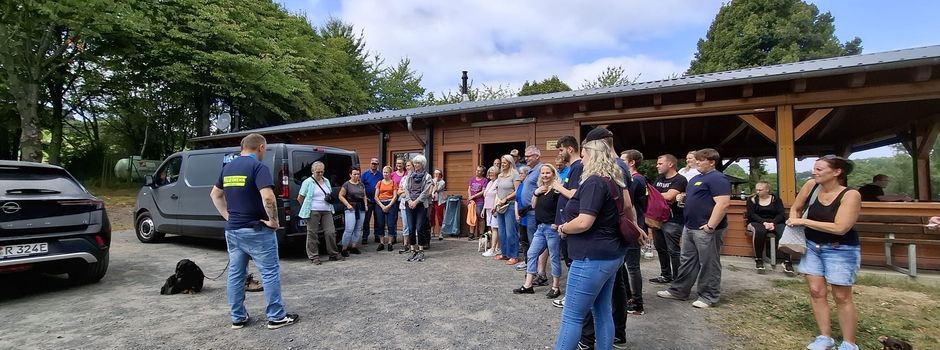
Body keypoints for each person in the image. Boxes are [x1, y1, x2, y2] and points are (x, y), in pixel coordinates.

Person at [208, 133, 299, 330]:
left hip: (233, 231)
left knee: (236, 274)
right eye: (264, 150)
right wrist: (274, 221)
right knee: (269, 272)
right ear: (260, 148)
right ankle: (276, 317)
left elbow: (215, 194)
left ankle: (237, 318)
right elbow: (268, 197)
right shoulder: (258, 167)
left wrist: (227, 216)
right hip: (256, 230)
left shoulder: (228, 168)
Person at [553, 139, 630, 350]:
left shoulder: (594, 182)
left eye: (584, 155)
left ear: (592, 156)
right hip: (610, 254)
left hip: (591, 257)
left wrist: (563, 228)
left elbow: (584, 222)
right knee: (602, 311)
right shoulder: (613, 180)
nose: (582, 159)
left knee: (572, 316)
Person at [787, 155, 861, 350]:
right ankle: (824, 337)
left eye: (820, 169)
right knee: (816, 291)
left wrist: (803, 221)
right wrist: (794, 222)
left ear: (837, 172)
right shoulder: (811, 186)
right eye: (814, 168)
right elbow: (796, 208)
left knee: (841, 296)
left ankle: (849, 343)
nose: (814, 172)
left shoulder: (850, 195)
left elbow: (840, 228)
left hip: (840, 249)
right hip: (812, 246)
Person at [657, 148, 731, 309]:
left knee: (708, 263)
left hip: (706, 228)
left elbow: (723, 203)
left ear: (711, 162)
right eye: (696, 159)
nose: (696, 162)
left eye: (701, 160)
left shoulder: (718, 178)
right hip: (689, 226)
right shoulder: (696, 179)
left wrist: (711, 225)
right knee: (687, 261)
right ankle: (679, 291)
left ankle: (708, 296)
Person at [512, 163, 563, 299]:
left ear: (553, 174)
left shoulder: (557, 190)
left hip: (551, 229)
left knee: (554, 257)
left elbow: (562, 208)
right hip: (540, 228)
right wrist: (536, 192)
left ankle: (555, 287)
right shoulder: (540, 189)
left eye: (548, 173)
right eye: (543, 173)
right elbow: (534, 205)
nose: (545, 175)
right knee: (531, 253)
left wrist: (558, 224)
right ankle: (528, 285)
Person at [550, 135, 581, 309]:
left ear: (570, 149)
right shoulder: (573, 168)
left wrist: (558, 187)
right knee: (569, 261)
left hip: (570, 223)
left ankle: (571, 299)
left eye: (561, 150)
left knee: (572, 263)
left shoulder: (577, 167)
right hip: (564, 221)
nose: (560, 154)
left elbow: (574, 194)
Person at [648, 154, 687, 285]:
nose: (657, 166)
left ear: (670, 164)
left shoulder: (680, 179)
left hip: (673, 220)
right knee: (660, 248)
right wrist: (656, 195)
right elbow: (650, 194)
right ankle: (665, 275)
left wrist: (654, 195)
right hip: (657, 219)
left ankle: (678, 279)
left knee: (673, 250)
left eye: (660, 163)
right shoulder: (659, 178)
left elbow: (670, 196)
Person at [621, 149, 650, 315]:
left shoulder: (636, 180)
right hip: (632, 225)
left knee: (632, 267)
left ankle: (637, 303)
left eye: (623, 160)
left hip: (634, 227)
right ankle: (628, 297)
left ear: (632, 162)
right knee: (624, 265)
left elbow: (628, 205)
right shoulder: (635, 180)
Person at [297, 161, 342, 265]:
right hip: (313, 210)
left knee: (330, 232)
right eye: (318, 172)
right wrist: (307, 207)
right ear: (313, 172)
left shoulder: (326, 181)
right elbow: (300, 198)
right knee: (312, 233)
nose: (320, 174)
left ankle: (333, 253)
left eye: (322, 172)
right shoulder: (308, 182)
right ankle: (314, 256)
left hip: (326, 210)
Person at [745, 180, 792, 273]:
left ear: (767, 190)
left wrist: (773, 223)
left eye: (760, 190)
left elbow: (780, 214)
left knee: (784, 231)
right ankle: (759, 259)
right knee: (760, 231)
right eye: (757, 189)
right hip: (757, 222)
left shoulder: (776, 200)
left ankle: (787, 261)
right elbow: (752, 214)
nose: (758, 192)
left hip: (775, 222)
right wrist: (764, 223)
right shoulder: (752, 200)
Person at [518, 145, 548, 282]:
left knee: (536, 244)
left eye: (529, 156)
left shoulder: (541, 170)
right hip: (527, 213)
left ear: (537, 156)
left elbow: (546, 188)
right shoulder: (532, 171)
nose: (526, 158)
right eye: (526, 155)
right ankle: (535, 272)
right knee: (531, 243)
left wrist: (530, 205)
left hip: (533, 212)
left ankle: (539, 273)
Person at [401, 155, 433, 261]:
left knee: (419, 228)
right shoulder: (410, 175)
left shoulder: (427, 176)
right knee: (410, 228)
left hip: (421, 205)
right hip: (409, 204)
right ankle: (413, 250)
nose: (415, 165)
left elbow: (425, 192)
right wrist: (409, 201)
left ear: (422, 164)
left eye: (418, 163)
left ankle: (421, 251)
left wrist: (416, 201)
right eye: (414, 163)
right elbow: (406, 189)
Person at [494, 155, 520, 263]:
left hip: (510, 205)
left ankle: (514, 255)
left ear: (510, 163)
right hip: (500, 205)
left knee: (510, 232)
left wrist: (506, 198)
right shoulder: (499, 176)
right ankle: (504, 253)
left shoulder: (515, 174)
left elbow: (517, 191)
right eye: (502, 162)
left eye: (505, 162)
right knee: (502, 232)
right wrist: (496, 204)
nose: (502, 164)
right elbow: (497, 191)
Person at [338, 168, 368, 257]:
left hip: (361, 207)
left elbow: (364, 196)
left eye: (358, 174)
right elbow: (340, 195)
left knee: (358, 228)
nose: (356, 176)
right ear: (350, 175)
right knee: (349, 228)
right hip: (351, 207)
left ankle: (354, 246)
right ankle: (344, 248)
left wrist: (366, 205)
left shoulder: (361, 184)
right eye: (354, 174)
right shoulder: (346, 184)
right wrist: (347, 204)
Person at [374, 165, 398, 252]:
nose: (385, 174)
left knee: (391, 224)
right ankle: (381, 243)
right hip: (380, 204)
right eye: (384, 172)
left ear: (390, 173)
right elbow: (376, 196)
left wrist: (388, 205)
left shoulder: (393, 183)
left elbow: (395, 196)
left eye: (387, 172)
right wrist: (382, 206)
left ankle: (390, 243)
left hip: (390, 204)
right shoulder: (379, 182)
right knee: (380, 223)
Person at [360, 158, 383, 245]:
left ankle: (377, 235)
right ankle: (365, 236)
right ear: (370, 164)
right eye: (372, 163)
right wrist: (365, 198)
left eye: (375, 164)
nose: (374, 165)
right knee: (366, 219)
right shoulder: (365, 174)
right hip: (368, 200)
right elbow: (361, 187)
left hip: (377, 200)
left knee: (378, 219)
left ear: (377, 165)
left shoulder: (380, 175)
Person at [513, 165, 531, 268]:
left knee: (529, 240)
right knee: (523, 240)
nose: (519, 175)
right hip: (520, 216)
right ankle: (526, 260)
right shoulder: (520, 185)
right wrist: (516, 214)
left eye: (521, 173)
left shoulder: (529, 185)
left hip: (528, 216)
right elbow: (516, 200)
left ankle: (531, 262)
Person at [482, 166, 501, 257]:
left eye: (492, 172)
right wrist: (483, 209)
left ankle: (495, 248)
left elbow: (498, 196)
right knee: (492, 228)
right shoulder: (489, 182)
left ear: (497, 172)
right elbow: (486, 197)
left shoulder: (498, 182)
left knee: (495, 228)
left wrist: (495, 208)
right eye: (489, 172)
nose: (490, 173)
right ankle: (495, 247)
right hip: (488, 208)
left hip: (494, 208)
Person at [467, 166, 489, 240]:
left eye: (479, 171)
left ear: (483, 172)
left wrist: (473, 196)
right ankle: (471, 234)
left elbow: (483, 191)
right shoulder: (472, 179)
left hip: (480, 201)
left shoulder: (484, 180)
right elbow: (469, 189)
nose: (477, 172)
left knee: (480, 218)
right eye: (477, 170)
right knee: (471, 217)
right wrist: (470, 198)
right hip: (472, 201)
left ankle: (481, 234)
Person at [397, 160, 415, 254]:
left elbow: (414, 192)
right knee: (405, 225)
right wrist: (404, 192)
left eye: (409, 165)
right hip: (404, 205)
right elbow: (398, 191)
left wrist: (405, 192)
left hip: (413, 204)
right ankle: (405, 245)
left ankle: (413, 245)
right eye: (407, 166)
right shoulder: (403, 178)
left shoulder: (416, 177)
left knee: (413, 225)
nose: (408, 167)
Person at [430, 169, 446, 240]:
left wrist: (436, 182)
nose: (436, 175)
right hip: (432, 201)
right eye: (435, 174)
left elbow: (437, 189)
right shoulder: (431, 181)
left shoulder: (442, 182)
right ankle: (432, 231)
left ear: (440, 175)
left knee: (440, 216)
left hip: (439, 201)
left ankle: (440, 232)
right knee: (431, 216)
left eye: (438, 174)